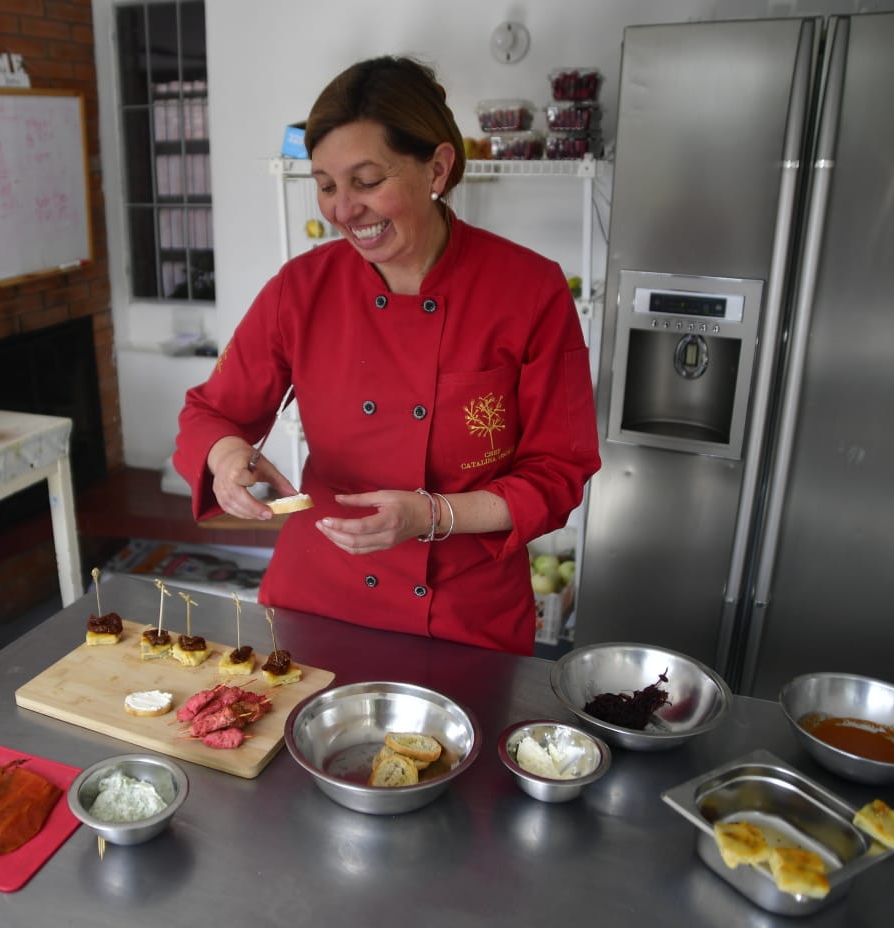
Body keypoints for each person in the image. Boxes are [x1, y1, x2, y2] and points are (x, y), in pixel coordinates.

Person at [173, 56, 600, 654]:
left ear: (439, 167)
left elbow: (559, 470)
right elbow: (210, 412)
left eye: (367, 181)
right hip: (317, 597)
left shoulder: (529, 289)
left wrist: (431, 516)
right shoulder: (302, 288)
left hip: (462, 615)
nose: (343, 210)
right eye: (325, 185)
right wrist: (226, 458)